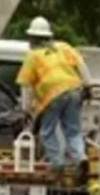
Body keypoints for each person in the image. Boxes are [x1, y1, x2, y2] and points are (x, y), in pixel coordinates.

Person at [18, 17, 86, 172]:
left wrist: (26, 109)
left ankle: (57, 163)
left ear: (32, 38)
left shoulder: (33, 56)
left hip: (52, 95)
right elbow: (81, 65)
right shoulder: (64, 47)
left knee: (47, 131)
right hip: (74, 89)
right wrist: (88, 85)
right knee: (73, 129)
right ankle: (80, 157)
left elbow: (26, 86)